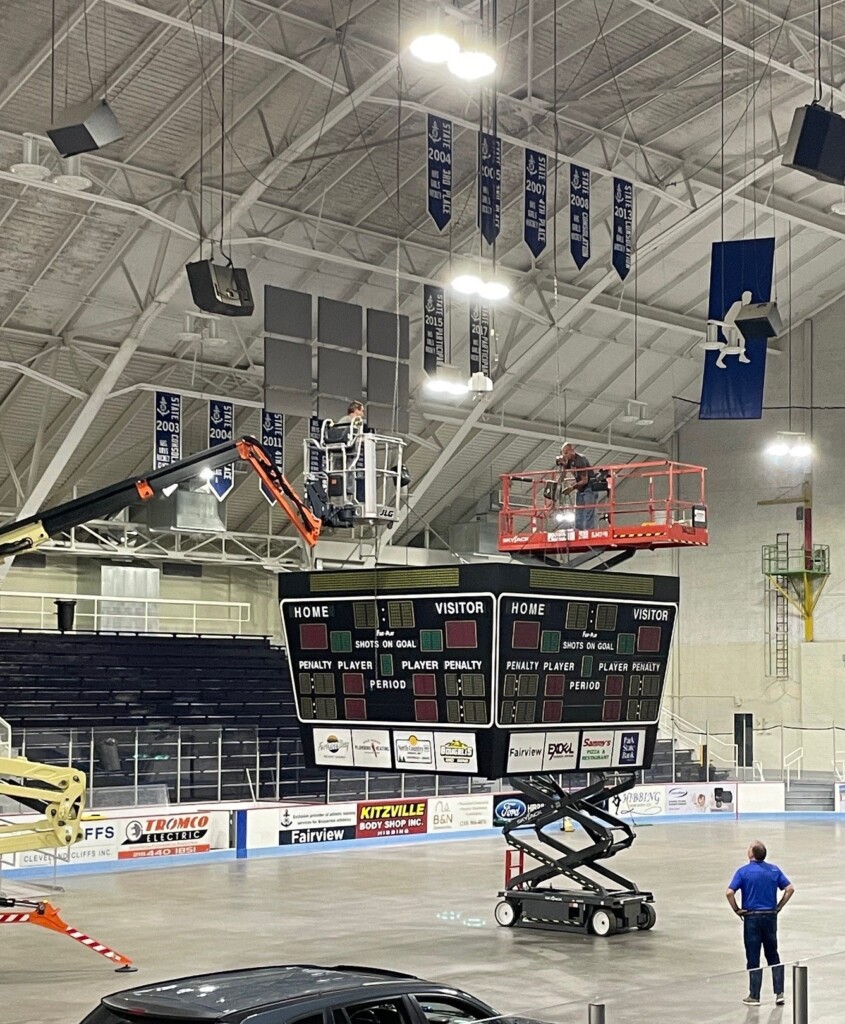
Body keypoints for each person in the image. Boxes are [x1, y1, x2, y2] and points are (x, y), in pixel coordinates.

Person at [726, 841, 794, 1006]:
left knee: (753, 956)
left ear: (751, 854)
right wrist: (778, 907)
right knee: (773, 954)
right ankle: (779, 993)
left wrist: (737, 910)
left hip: (751, 918)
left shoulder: (743, 872)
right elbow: (790, 888)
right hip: (770, 916)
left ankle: (754, 995)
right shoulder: (774, 870)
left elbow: (729, 892)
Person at [558, 443, 596, 530]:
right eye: (564, 453)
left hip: (589, 486)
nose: (565, 455)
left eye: (566, 453)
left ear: (572, 451)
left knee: (588, 509)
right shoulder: (569, 461)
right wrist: (562, 466)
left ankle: (589, 530)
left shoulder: (581, 460)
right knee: (578, 511)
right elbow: (563, 473)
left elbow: (585, 480)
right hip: (580, 487)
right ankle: (578, 530)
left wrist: (572, 488)